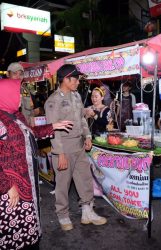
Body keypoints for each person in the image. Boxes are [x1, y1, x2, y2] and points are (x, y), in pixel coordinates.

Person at [0, 78, 73, 249]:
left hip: (24, 183)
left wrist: (53, 126)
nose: (21, 98)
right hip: (8, 191)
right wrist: (6, 186)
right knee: (11, 232)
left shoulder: (14, 116)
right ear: (3, 96)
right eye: (16, 94)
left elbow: (30, 134)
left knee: (26, 229)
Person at [44, 64, 107, 231]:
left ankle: (87, 211)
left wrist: (87, 135)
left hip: (79, 146)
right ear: (66, 79)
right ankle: (62, 214)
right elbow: (53, 130)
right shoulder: (53, 101)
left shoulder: (77, 96)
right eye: (76, 79)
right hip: (63, 148)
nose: (78, 82)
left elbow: (82, 119)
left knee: (85, 180)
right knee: (63, 184)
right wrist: (60, 153)